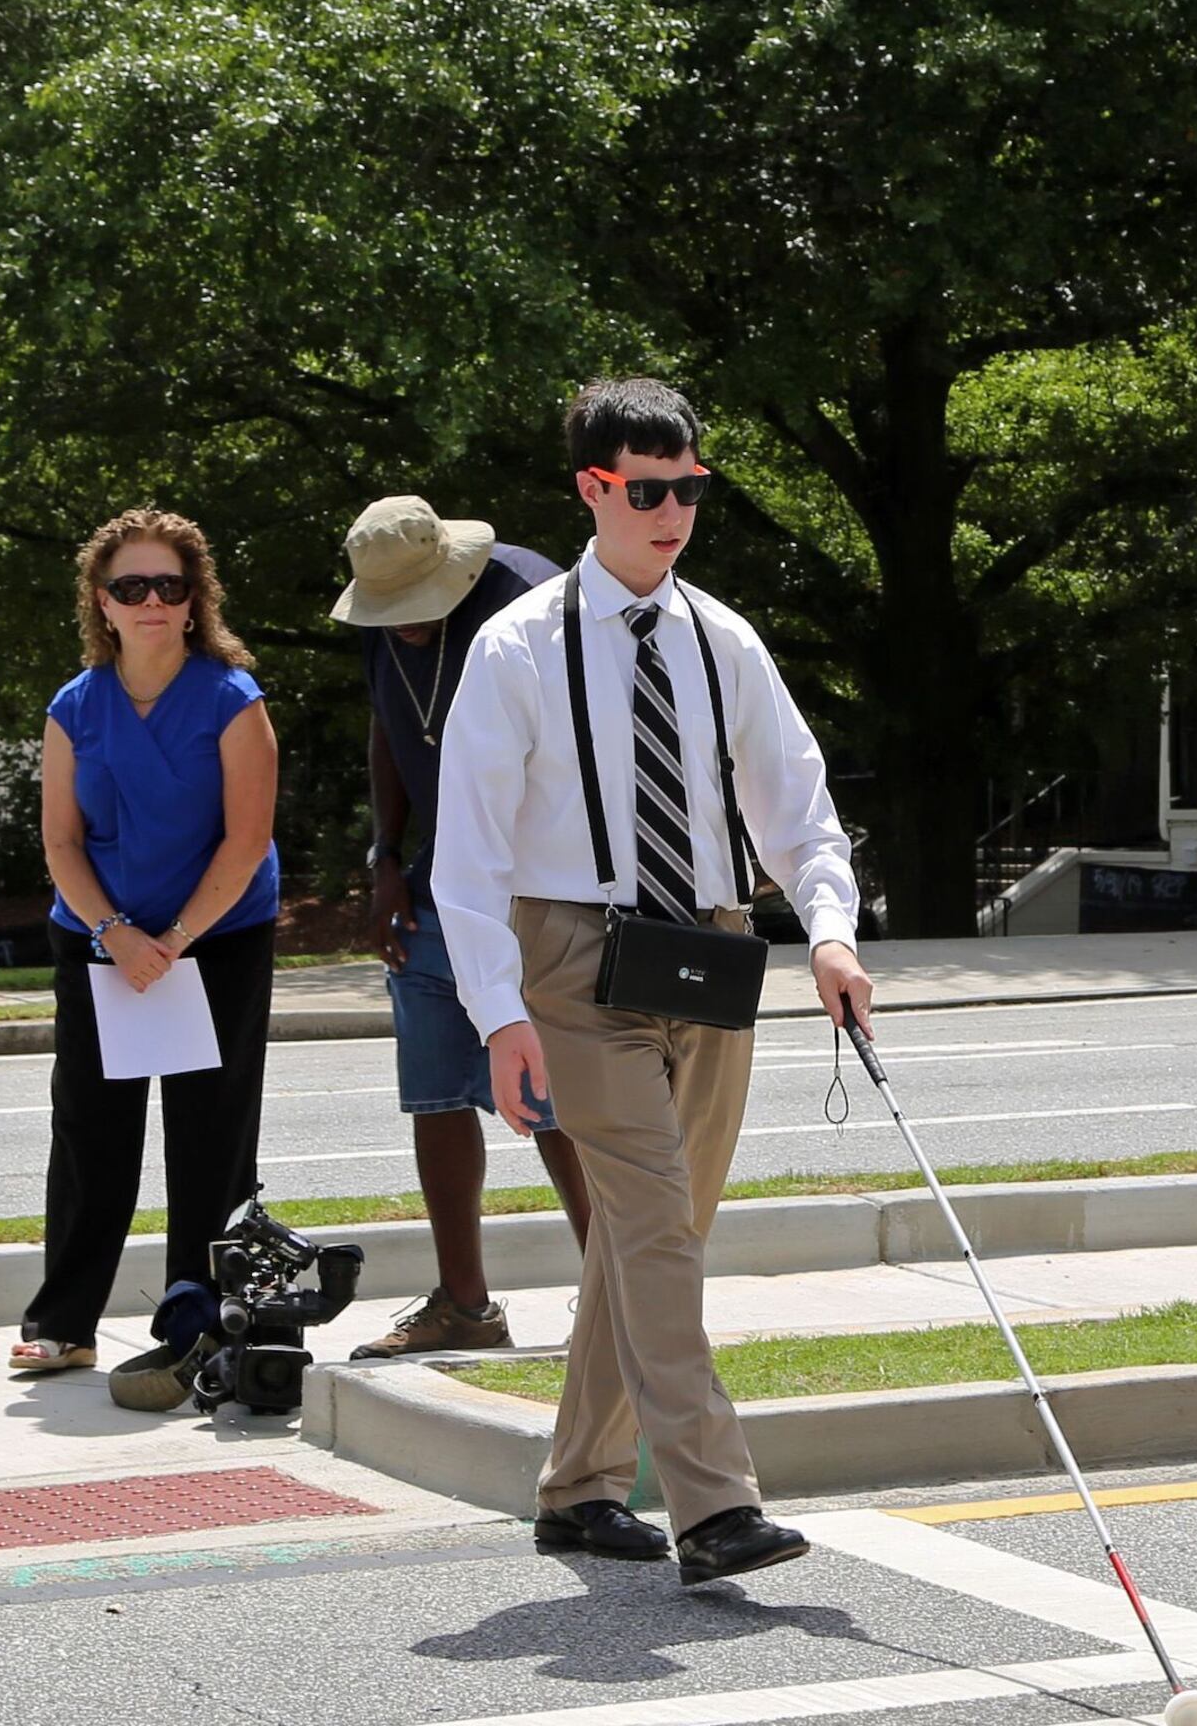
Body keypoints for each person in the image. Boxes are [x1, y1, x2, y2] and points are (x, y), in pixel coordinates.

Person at [430, 378, 875, 1587]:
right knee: (655, 1229)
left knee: (654, 1233)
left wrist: (830, 931)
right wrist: (500, 1015)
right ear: (593, 489)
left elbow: (799, 808)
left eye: (689, 488)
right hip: (571, 952)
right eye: (647, 490)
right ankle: (713, 1505)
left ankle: (577, 1489)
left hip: (712, 943)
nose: (672, 511)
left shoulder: (723, 638)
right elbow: (463, 856)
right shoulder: (516, 645)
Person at [14, 509, 280, 1409]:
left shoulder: (232, 699)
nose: (153, 601)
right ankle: (64, 1321)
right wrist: (115, 934)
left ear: (194, 597)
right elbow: (60, 843)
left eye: (171, 585)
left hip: (217, 937)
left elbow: (246, 841)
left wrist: (173, 942)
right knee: (91, 1127)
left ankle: (200, 1321)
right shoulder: (72, 706)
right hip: (99, 936)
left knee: (210, 1137)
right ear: (104, 601)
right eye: (134, 587)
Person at [329, 495, 586, 1359]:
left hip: (537, 891)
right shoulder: (383, 608)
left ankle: (620, 1293)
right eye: (384, 615)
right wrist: (384, 857)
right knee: (435, 1091)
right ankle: (466, 1307)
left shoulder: (531, 599)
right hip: (435, 884)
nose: (399, 627)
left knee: (558, 1100)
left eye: (413, 610)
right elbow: (388, 724)